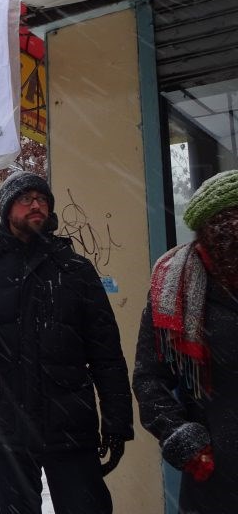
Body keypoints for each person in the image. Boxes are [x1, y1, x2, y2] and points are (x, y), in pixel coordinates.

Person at [0, 171, 134, 514]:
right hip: (5, 426)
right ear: (6, 210)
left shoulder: (75, 270)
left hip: (69, 426)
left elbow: (107, 354)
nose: (36, 204)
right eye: (25, 199)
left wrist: (117, 421)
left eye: (42, 199)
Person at [133, 169, 238, 513]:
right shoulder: (173, 290)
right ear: (208, 230)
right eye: (228, 219)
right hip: (216, 472)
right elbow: (150, 378)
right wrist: (178, 433)